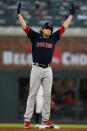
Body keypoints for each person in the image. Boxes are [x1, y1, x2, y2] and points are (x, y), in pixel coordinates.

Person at [17, 2, 77, 128]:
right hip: (36, 68)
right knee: (32, 94)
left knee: (47, 96)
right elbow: (24, 26)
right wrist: (19, 14)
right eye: (47, 28)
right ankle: (27, 120)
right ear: (42, 29)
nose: (49, 30)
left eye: (50, 29)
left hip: (48, 69)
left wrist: (71, 15)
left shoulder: (53, 38)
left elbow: (64, 27)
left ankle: (46, 120)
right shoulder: (35, 36)